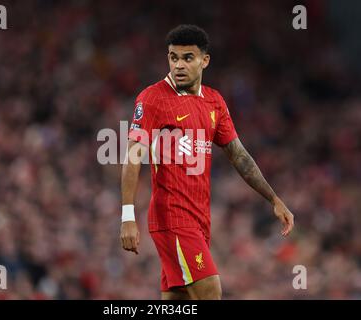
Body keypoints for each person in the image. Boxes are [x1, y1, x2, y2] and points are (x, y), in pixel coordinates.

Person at [120, 24, 294, 300]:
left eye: (187, 58)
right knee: (210, 292)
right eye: (173, 57)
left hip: (200, 220)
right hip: (173, 218)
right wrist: (127, 216)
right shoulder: (153, 99)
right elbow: (132, 157)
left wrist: (273, 198)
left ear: (204, 60)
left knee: (179, 301)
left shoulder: (214, 102)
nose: (178, 65)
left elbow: (239, 155)